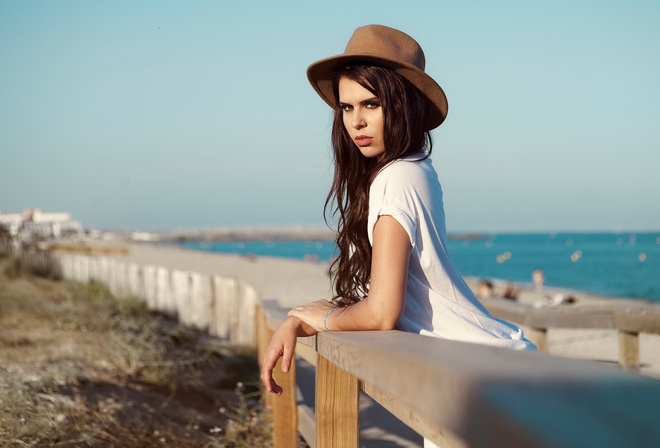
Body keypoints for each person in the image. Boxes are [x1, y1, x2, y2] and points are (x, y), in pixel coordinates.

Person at [260, 26, 535, 445]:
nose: (357, 121)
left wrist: (320, 319)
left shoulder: (397, 178)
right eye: (347, 107)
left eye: (371, 104)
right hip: (473, 375)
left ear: (402, 104)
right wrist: (300, 318)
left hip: (482, 385)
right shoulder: (412, 170)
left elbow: (382, 311)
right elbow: (393, 291)